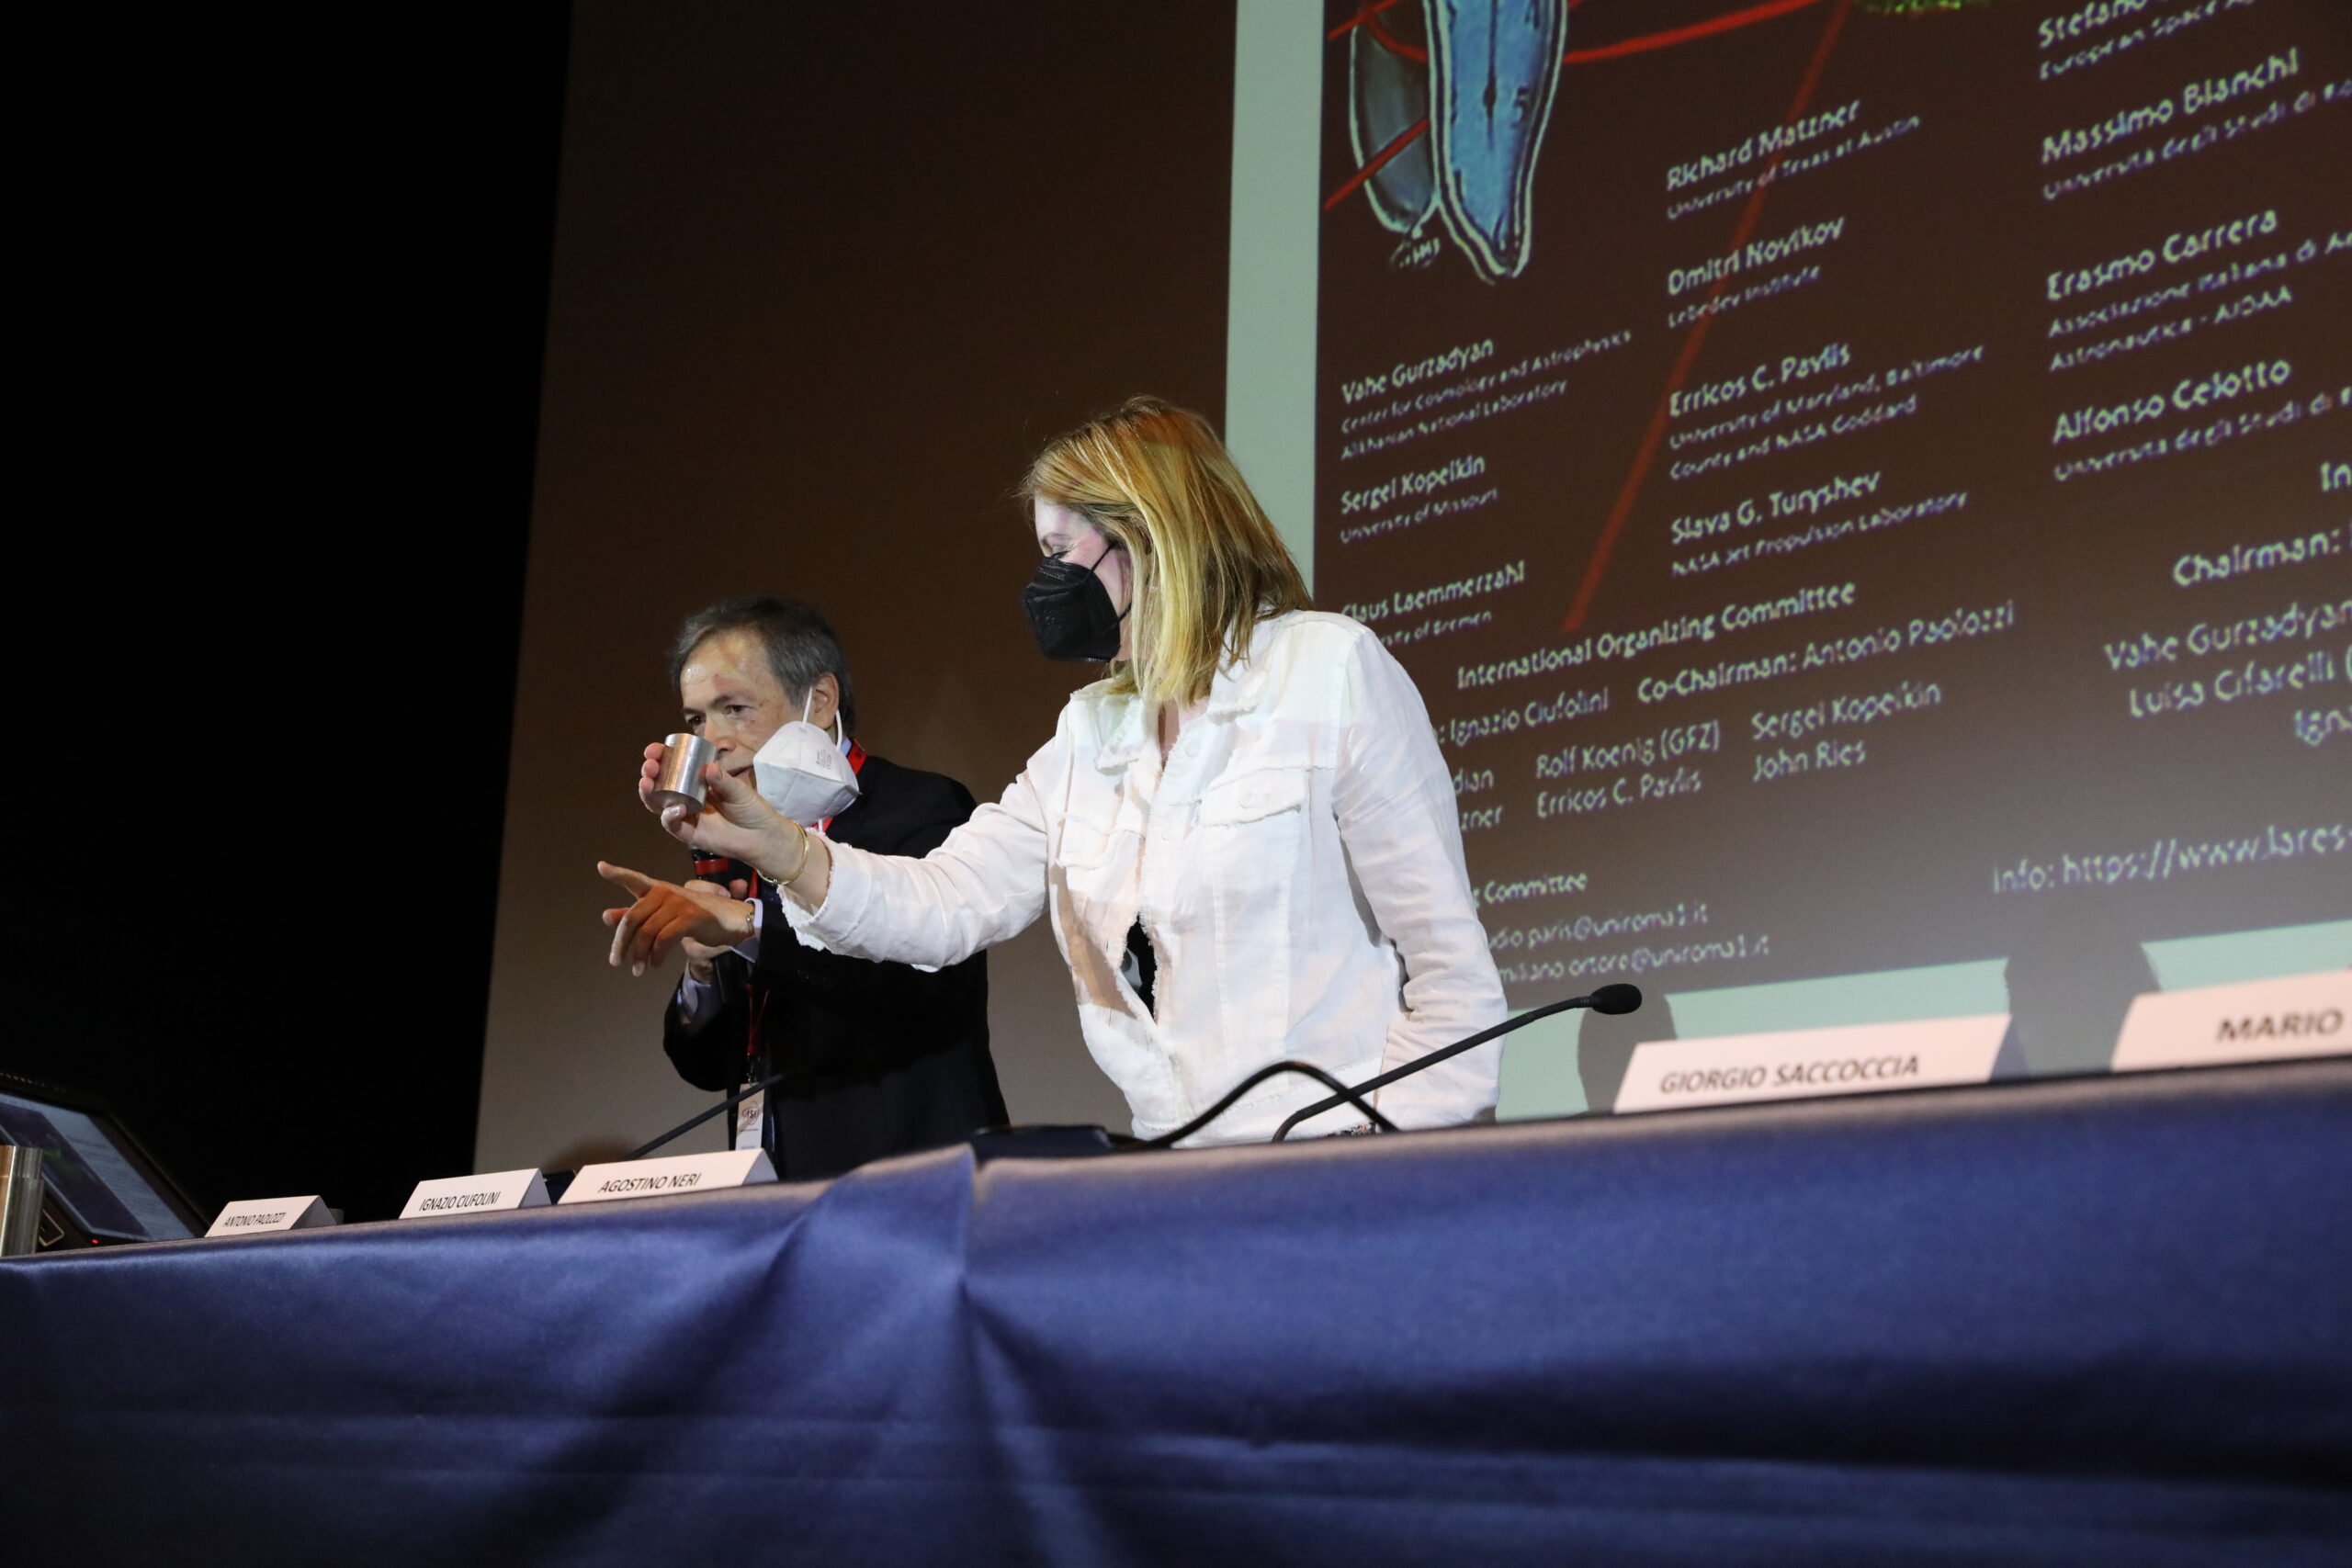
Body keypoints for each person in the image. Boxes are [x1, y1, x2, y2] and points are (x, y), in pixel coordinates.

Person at [602, 399, 1505, 1145]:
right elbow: (945, 904)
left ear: (1152, 534)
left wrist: (1388, 1158)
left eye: (1062, 552)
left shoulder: (1327, 667)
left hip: (1335, 1164)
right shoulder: (1086, 733)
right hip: (1173, 1178)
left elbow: (1452, 976)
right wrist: (779, 845)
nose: (1047, 583)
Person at [605, 595, 1005, 1180]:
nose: (713, 739)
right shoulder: (728, 836)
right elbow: (706, 1066)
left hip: (912, 1173)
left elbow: (920, 995)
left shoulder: (919, 807)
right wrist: (702, 967)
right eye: (696, 721)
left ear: (818, 701)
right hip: (773, 1185)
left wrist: (751, 927)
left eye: (734, 708)